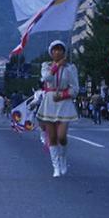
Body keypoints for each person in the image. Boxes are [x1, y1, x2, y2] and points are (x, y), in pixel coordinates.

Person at [37, 40, 79, 178]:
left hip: (64, 103)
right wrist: (56, 66)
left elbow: (75, 88)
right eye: (54, 49)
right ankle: (55, 165)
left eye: (60, 49)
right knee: (52, 137)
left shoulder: (70, 68)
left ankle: (63, 158)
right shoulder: (46, 66)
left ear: (64, 52)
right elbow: (46, 78)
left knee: (61, 136)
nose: (57, 52)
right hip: (49, 101)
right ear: (51, 52)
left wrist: (63, 94)